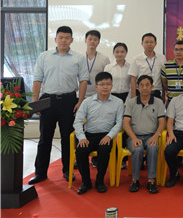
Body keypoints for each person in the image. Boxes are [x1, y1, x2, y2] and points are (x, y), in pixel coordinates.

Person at [30, 25, 87, 185]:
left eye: (67, 38)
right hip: (48, 101)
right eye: (61, 37)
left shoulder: (78, 58)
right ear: (55, 39)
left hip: (69, 101)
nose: (63, 40)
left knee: (67, 138)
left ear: (72, 40)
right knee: (44, 138)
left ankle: (68, 170)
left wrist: (80, 101)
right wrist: (36, 103)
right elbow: (37, 80)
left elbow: (83, 80)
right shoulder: (44, 56)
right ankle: (40, 172)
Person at [73, 71, 124, 194]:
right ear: (96, 86)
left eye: (108, 84)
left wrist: (109, 136)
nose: (105, 87)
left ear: (112, 86)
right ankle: (86, 182)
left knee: (104, 150)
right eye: (102, 84)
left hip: (106, 135)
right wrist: (82, 137)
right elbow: (77, 121)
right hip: (88, 135)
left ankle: (100, 181)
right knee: (81, 151)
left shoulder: (118, 102)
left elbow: (119, 123)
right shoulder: (87, 102)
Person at [122, 75, 166, 194]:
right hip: (134, 136)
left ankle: (151, 180)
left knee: (153, 148)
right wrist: (133, 137)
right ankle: (135, 180)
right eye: (142, 85)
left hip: (152, 135)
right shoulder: (131, 102)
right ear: (137, 87)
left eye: (147, 85)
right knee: (137, 149)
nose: (145, 88)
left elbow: (162, 122)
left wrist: (156, 135)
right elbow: (126, 123)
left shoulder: (158, 102)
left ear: (152, 87)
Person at [129, 33, 166, 99]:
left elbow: (163, 77)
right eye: (146, 42)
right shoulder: (136, 59)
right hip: (141, 93)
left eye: (151, 42)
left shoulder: (162, 58)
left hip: (156, 93)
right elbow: (133, 79)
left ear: (155, 44)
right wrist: (133, 96)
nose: (149, 44)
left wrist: (163, 94)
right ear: (142, 43)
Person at [83, 30, 111, 99]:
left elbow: (107, 79)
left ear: (98, 42)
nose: (92, 41)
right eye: (90, 39)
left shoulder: (104, 59)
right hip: (80, 94)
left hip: (98, 95)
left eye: (95, 39)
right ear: (85, 40)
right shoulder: (79, 57)